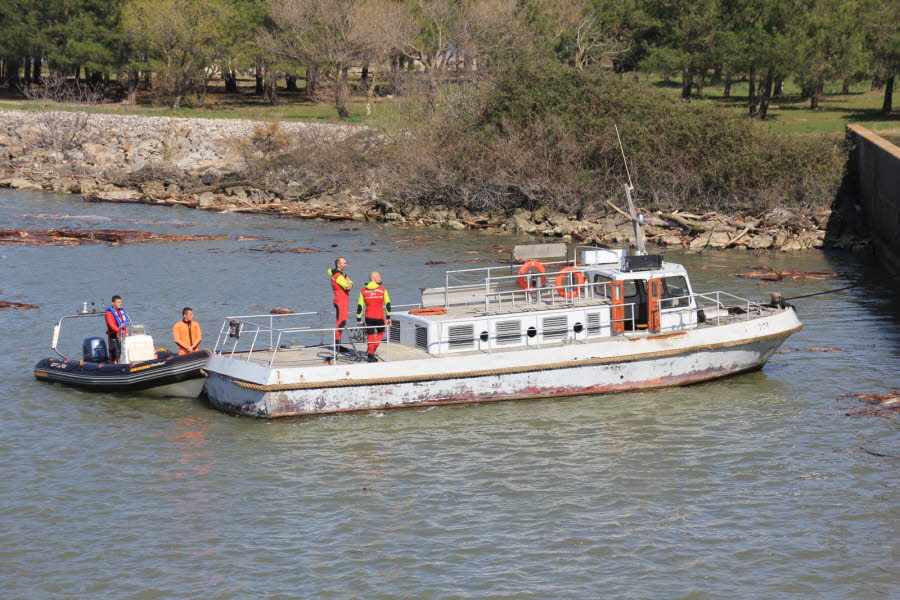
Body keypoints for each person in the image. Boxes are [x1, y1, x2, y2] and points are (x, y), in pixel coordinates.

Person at [356, 271, 391, 363]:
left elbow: (360, 305)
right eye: (379, 277)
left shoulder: (363, 291)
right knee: (381, 333)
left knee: (370, 335)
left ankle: (371, 355)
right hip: (379, 317)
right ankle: (372, 351)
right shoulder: (382, 289)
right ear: (374, 278)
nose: (380, 279)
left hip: (368, 317)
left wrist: (358, 319)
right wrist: (388, 317)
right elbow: (388, 304)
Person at [328, 257, 353, 352]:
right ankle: (337, 345)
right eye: (344, 263)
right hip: (340, 301)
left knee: (342, 322)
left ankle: (338, 344)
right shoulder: (338, 276)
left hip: (342, 301)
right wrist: (349, 282)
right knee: (341, 322)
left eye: (346, 263)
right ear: (338, 265)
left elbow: (351, 283)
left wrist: (350, 282)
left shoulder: (340, 274)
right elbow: (348, 286)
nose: (346, 265)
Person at [105, 295, 130, 363]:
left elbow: (126, 323)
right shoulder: (109, 313)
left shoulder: (121, 312)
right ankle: (113, 365)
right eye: (118, 302)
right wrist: (122, 331)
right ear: (113, 303)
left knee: (124, 352)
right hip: (114, 337)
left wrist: (127, 331)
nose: (120, 304)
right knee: (114, 354)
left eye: (121, 302)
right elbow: (112, 325)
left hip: (123, 336)